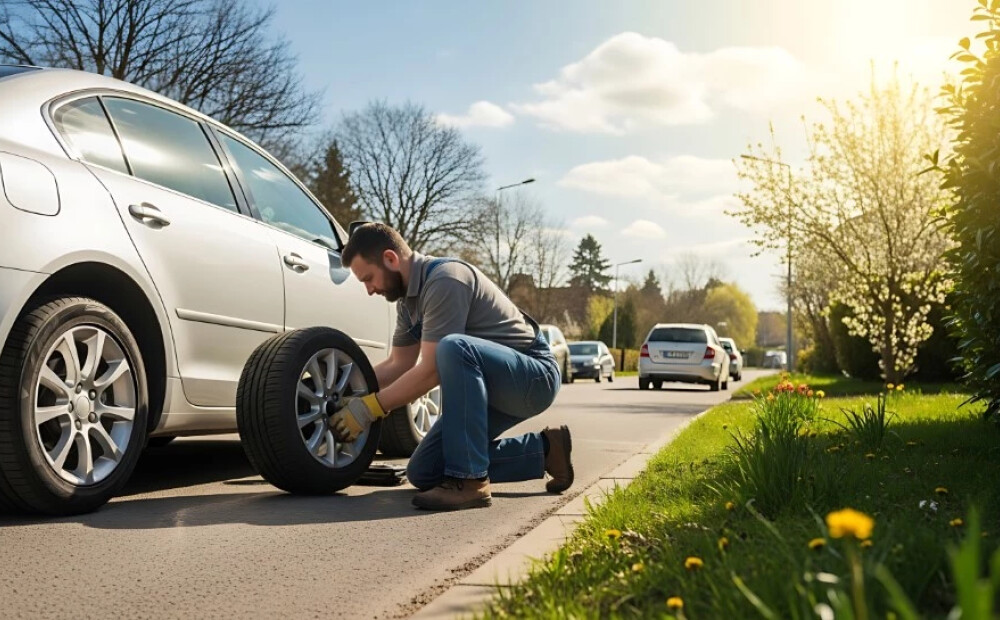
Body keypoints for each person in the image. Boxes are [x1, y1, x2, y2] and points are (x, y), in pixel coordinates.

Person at [328, 223, 573, 511]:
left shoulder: (446, 280)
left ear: (390, 259)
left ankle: (470, 482)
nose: (370, 290)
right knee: (424, 471)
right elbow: (399, 364)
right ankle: (546, 450)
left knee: (453, 347)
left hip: (532, 377)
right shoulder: (408, 305)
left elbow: (431, 370)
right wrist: (347, 390)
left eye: (368, 278)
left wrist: (369, 408)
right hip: (487, 386)